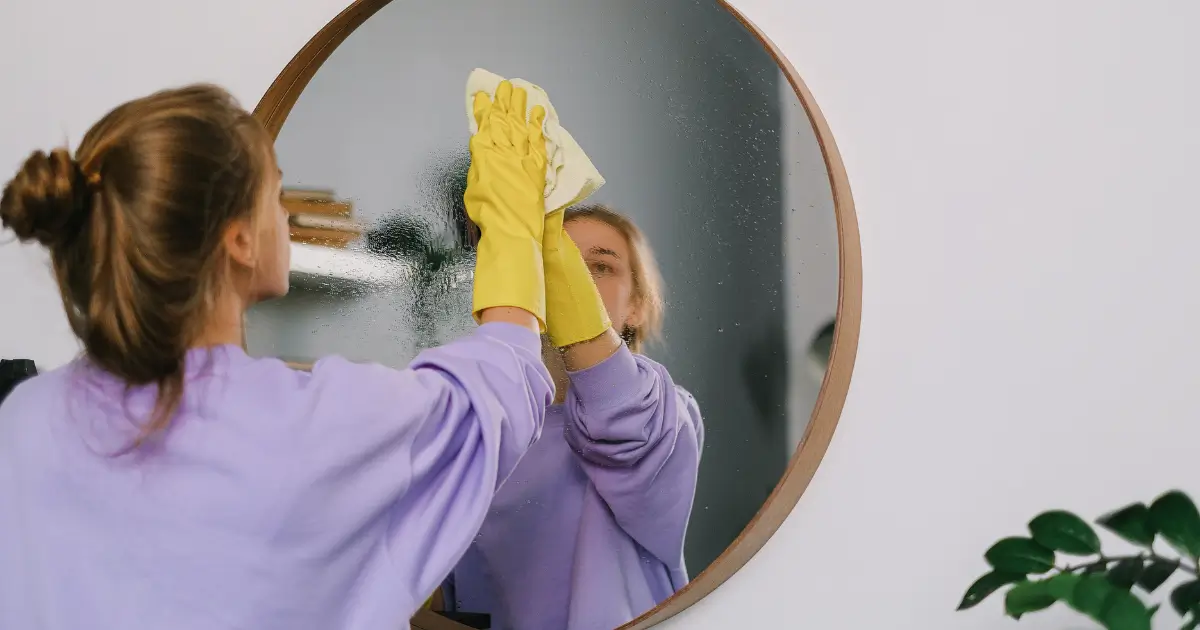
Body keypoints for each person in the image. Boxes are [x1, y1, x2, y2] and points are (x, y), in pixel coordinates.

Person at [0, 82, 554, 630]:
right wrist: (512, 229)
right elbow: (492, 398)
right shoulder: (317, 426)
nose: (286, 218)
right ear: (239, 240)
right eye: (276, 195)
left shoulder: (24, 421)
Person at [440, 204, 706, 630]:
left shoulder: (666, 415)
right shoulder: (484, 425)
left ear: (636, 306)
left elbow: (621, 419)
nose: (575, 281)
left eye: (600, 267)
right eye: (554, 262)